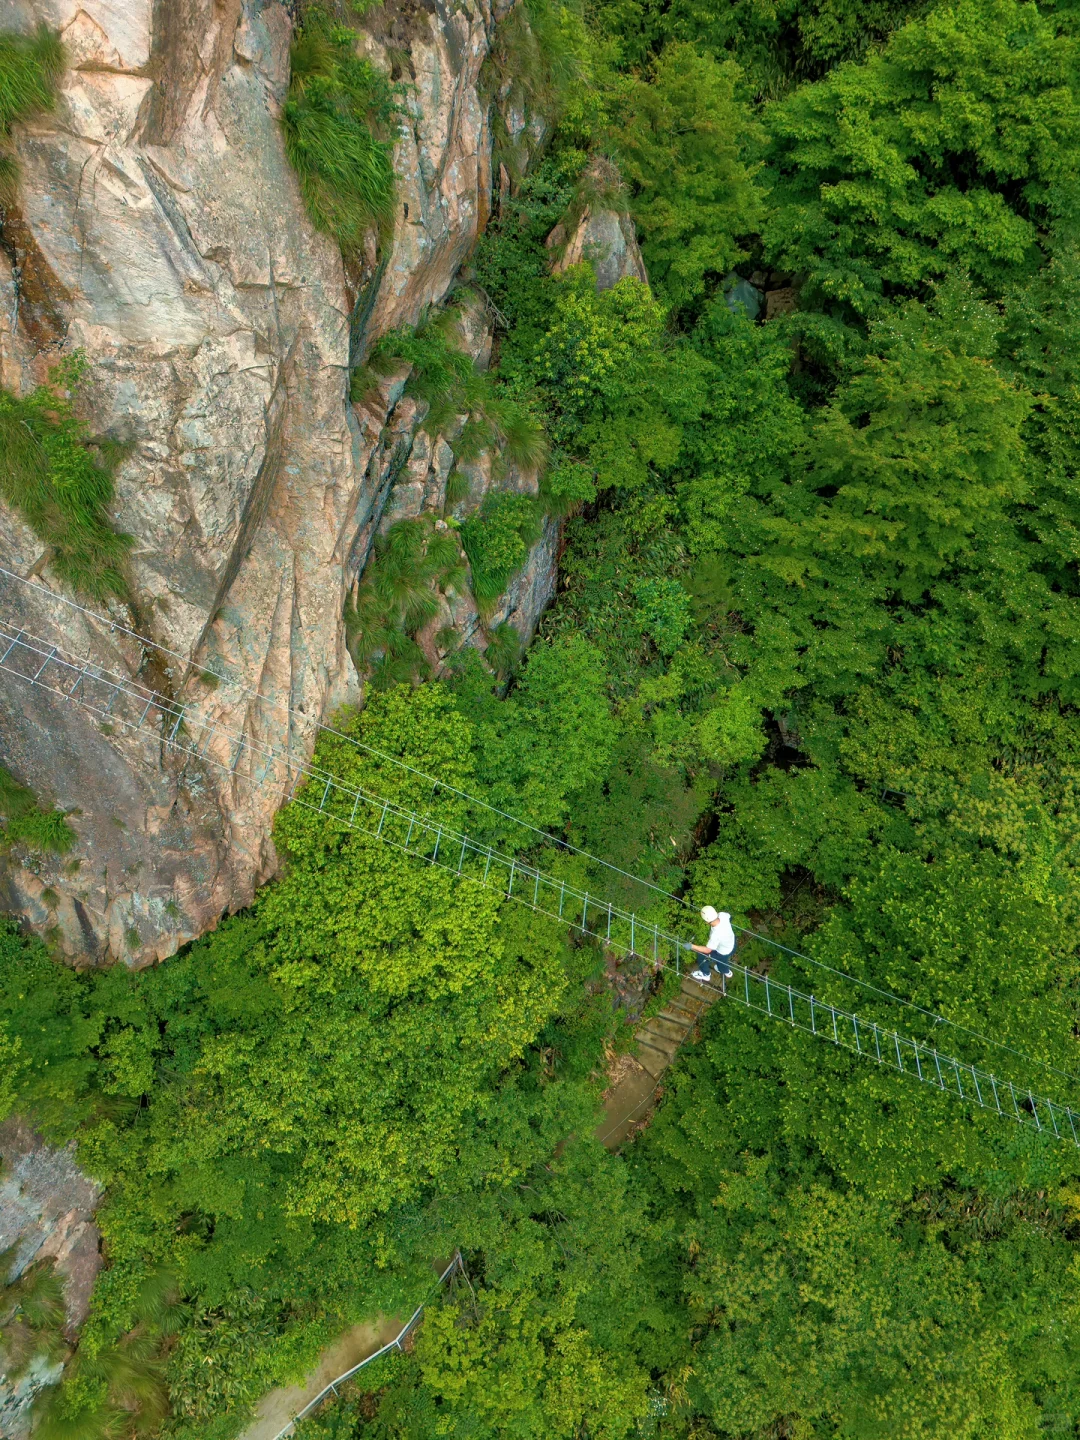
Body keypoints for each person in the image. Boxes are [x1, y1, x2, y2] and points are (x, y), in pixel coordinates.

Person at [689, 905, 736, 985]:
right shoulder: (722, 915)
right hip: (732, 944)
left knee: (702, 956)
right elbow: (729, 917)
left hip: (722, 951)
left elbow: (707, 950)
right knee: (722, 961)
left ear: (707, 922)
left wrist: (692, 946)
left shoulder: (716, 934)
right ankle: (726, 972)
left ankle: (705, 974)